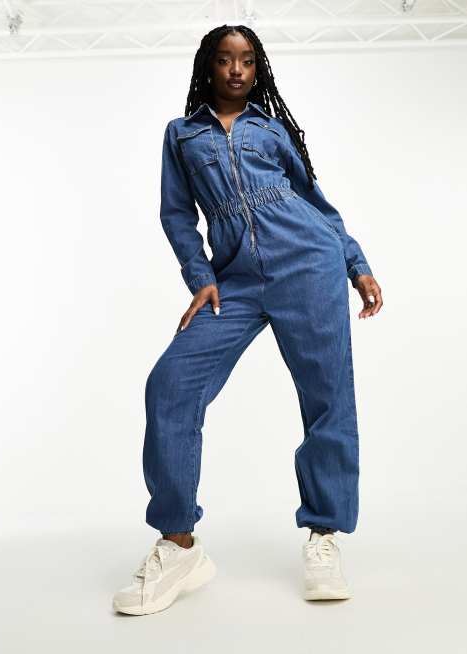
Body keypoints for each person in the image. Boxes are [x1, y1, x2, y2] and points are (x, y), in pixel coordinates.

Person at [113, 24, 383, 615]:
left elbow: (315, 204)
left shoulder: (273, 129)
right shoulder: (182, 134)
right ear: (207, 67)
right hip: (233, 280)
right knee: (170, 385)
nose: (236, 69)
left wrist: (355, 263)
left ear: (258, 69)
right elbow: (177, 215)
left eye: (247, 60)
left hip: (308, 264)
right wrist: (200, 277)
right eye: (224, 59)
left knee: (328, 399)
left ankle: (324, 534)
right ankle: (179, 544)